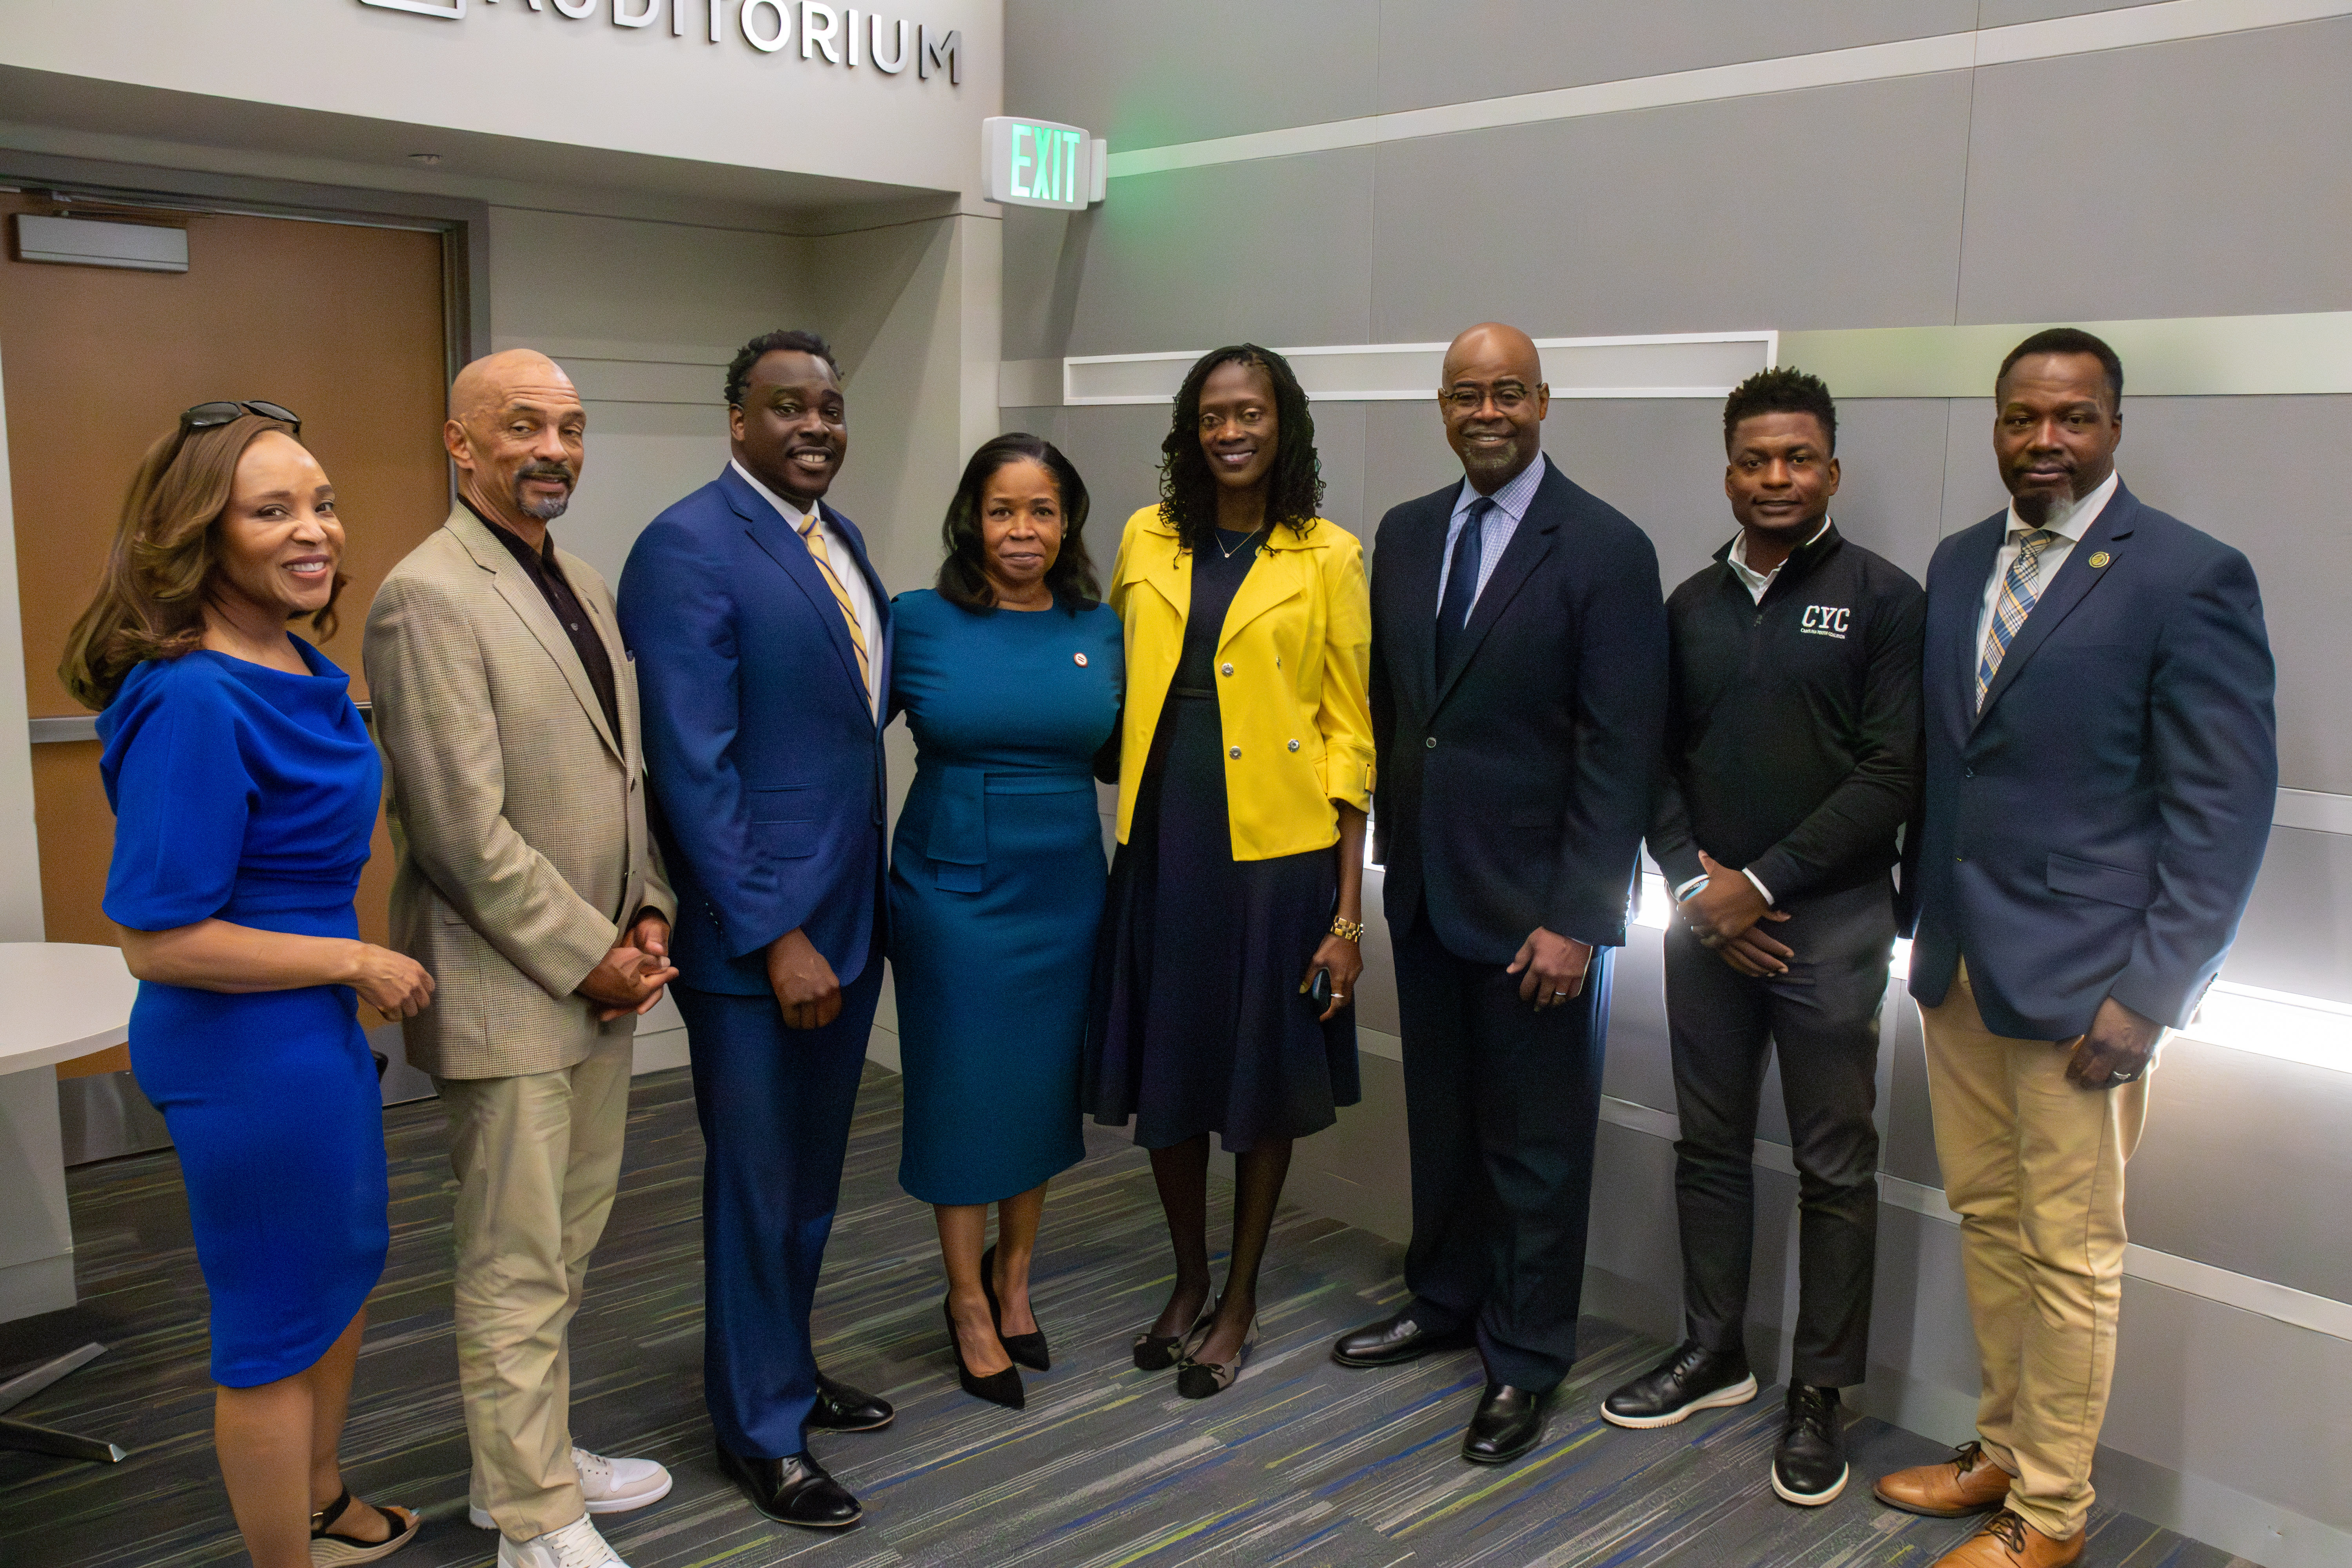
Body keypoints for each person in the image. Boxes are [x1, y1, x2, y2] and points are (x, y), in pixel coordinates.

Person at [1873, 330, 2276, 1568]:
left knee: (2074, 1252)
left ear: (2114, 427)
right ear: (1997, 427)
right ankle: (2002, 1447)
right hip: (1957, 968)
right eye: (2021, 419)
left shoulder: (2188, 576)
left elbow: (2223, 807)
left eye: (2073, 419)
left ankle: (2052, 1514)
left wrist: (2151, 993)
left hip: (2088, 988)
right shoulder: (1955, 563)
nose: (2044, 441)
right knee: (1991, 1221)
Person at [65, 405, 427, 1568]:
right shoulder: (194, 697)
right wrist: (354, 958)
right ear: (196, 537)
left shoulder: (298, 661)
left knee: (339, 1269)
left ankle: (319, 1501)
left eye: (320, 503)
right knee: (273, 1323)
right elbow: (157, 940)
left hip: (307, 1039)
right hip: (241, 1048)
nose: (314, 529)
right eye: (272, 511)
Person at [363, 350, 679, 1568]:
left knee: (570, 1243)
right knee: (512, 1259)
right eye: (524, 427)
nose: (555, 449)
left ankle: (524, 1467)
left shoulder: (582, 584)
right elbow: (454, 828)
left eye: (572, 428)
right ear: (461, 442)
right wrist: (590, 952)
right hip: (511, 992)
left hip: (601, 979)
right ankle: (534, 1521)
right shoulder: (427, 594)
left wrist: (647, 909)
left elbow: (618, 774)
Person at [1338, 322, 1668, 1465]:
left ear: (1543, 403)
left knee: (1536, 1150)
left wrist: (1582, 918)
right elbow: (1399, 710)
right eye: (1466, 394)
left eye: (1508, 393)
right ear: (1442, 405)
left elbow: (1620, 752)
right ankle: (1444, 1302)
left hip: (1542, 920)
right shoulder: (1408, 531)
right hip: (1429, 894)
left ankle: (1525, 1357)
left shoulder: (1608, 548)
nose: (1488, 412)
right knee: (1445, 1125)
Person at [1601, 368, 1924, 1508]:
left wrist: (1764, 885)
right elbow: (1654, 764)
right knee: (1710, 1148)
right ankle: (1714, 1352)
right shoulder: (1686, 607)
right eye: (1755, 459)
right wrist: (1700, 888)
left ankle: (1821, 1395)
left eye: (1798, 460)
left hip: (1832, 931)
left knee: (1837, 1167)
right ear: (1728, 470)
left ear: (1830, 472)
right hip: (1706, 931)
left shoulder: (1888, 600)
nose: (1776, 478)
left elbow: (1894, 773)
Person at [617, 329, 896, 1530]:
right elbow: (696, 768)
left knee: (813, 1183)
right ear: (737, 420)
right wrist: (774, 933)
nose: (814, 427)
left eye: (829, 408)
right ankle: (760, 1433)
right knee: (757, 1182)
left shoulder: (843, 543)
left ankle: (781, 1365)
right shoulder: (686, 548)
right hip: (761, 942)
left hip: (849, 915)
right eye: (788, 408)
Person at [1087, 344, 1374, 1399]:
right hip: (1162, 840)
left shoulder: (1329, 555)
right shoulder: (1145, 536)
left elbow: (1352, 736)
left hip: (1277, 858)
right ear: (1190, 432)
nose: (1231, 432)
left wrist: (1346, 918)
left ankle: (1242, 1295)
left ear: (1281, 425)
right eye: (1213, 417)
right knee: (1168, 1071)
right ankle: (1188, 1276)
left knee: (1254, 1083)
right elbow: (1109, 676)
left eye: (1250, 413)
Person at [887, 433, 1122, 1410]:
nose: (1021, 529)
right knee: (961, 1089)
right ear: (970, 519)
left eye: (1041, 510)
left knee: (1036, 1088)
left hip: (1066, 886)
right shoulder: (917, 620)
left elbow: (1127, 756)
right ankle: (964, 1299)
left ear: (1066, 522)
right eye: (1001, 509)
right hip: (951, 891)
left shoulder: (1101, 626)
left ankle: (1015, 1280)